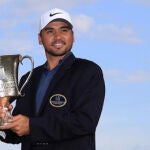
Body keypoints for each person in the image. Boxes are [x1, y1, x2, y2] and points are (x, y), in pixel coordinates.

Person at [0, 8, 105, 150]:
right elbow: (18, 134)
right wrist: (4, 122)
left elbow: (84, 122)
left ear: (73, 36)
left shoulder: (88, 71)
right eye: (50, 31)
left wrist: (31, 126)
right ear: (40, 39)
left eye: (64, 30)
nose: (58, 37)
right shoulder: (29, 78)